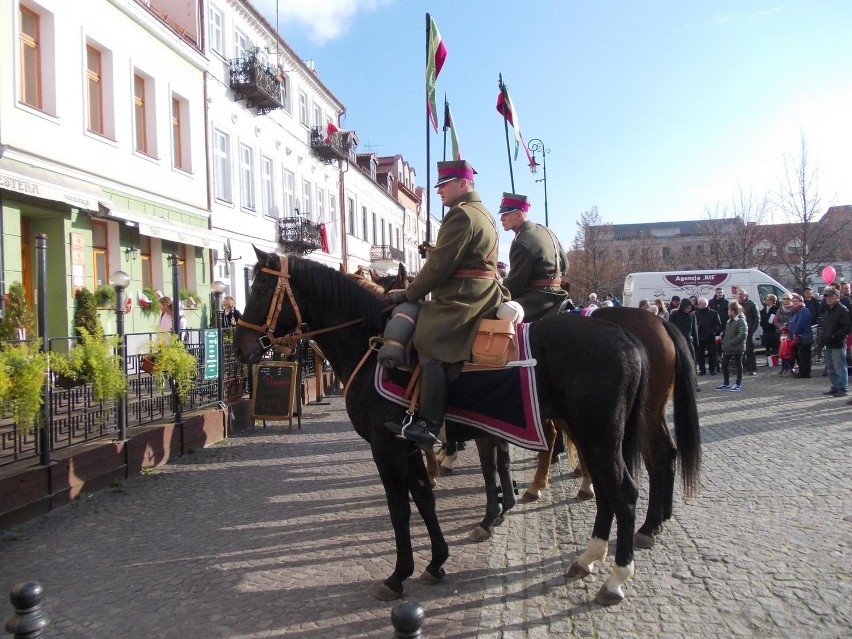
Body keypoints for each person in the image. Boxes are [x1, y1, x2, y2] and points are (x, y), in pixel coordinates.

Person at [384, 160, 508, 449]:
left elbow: (439, 268)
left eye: (445, 185)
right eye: (439, 185)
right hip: (480, 291)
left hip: (464, 297)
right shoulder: (484, 214)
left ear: (462, 185)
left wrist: (408, 294)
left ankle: (428, 424)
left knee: (428, 340)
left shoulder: (461, 215)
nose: (439, 190)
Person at [499, 192, 568, 322]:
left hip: (537, 303)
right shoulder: (546, 230)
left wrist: (494, 293)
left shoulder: (521, 241)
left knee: (494, 316)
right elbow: (565, 267)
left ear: (519, 215)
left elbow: (515, 285)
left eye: (505, 214)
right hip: (559, 295)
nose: (501, 218)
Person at [819, 287, 851, 397]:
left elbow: (846, 327)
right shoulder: (829, 309)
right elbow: (826, 326)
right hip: (828, 342)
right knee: (831, 367)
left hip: (837, 343)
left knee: (840, 367)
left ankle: (843, 389)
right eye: (826, 296)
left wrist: (835, 335)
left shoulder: (842, 309)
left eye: (830, 296)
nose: (828, 298)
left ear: (837, 297)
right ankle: (835, 387)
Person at [716, 300, 747, 392]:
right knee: (724, 364)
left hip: (737, 347)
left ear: (733, 311)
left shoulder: (741, 320)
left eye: (729, 310)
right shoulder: (730, 320)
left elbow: (742, 334)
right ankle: (726, 383)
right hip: (728, 348)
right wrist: (724, 338)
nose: (728, 311)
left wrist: (731, 342)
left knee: (738, 365)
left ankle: (738, 384)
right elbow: (728, 332)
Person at [787, 293, 814, 378]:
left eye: (796, 301)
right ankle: (801, 371)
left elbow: (801, 322)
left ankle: (805, 373)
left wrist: (796, 332)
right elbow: (791, 322)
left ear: (801, 302)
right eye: (793, 301)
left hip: (803, 337)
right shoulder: (794, 311)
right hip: (797, 337)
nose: (794, 303)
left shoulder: (803, 310)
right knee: (799, 356)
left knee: (804, 356)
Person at [695, 297, 721, 375]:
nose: (698, 305)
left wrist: (713, 331)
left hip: (710, 336)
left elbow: (717, 324)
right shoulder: (695, 313)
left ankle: (712, 369)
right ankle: (702, 370)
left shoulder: (713, 313)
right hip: (699, 337)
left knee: (712, 353)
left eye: (700, 304)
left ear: (705, 304)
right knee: (700, 354)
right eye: (698, 304)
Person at [737, 288, 760, 375]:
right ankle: (741, 368)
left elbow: (757, 318)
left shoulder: (751, 304)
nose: (740, 296)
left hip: (748, 331)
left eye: (742, 294)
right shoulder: (736, 304)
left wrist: (752, 330)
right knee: (739, 350)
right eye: (739, 294)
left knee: (750, 350)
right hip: (738, 331)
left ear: (745, 295)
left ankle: (752, 369)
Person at [774, 294, 795, 376]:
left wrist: (789, 326)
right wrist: (781, 327)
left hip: (791, 332)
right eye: (784, 299)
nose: (786, 300)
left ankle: (790, 368)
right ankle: (784, 368)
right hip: (783, 333)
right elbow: (776, 321)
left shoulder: (793, 309)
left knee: (791, 352)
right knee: (783, 351)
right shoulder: (779, 310)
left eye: (788, 299)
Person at [708, 287, 728, 361]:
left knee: (723, 343)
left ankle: (723, 357)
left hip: (724, 326)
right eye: (719, 292)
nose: (720, 294)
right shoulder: (711, 302)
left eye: (721, 292)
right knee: (715, 344)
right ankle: (716, 358)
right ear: (716, 293)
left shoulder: (726, 302)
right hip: (714, 327)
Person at [759, 293, 780, 365]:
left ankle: (774, 362)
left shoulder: (776, 309)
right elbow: (761, 320)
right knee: (767, 347)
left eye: (767, 300)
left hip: (773, 331)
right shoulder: (763, 309)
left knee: (775, 348)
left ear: (772, 301)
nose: (766, 301)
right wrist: (763, 325)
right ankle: (769, 362)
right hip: (766, 331)